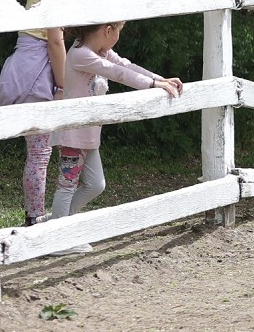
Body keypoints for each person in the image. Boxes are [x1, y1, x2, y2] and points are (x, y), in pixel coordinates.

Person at [49, 22, 183, 247]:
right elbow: (117, 73)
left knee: (96, 184)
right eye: (119, 31)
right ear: (108, 30)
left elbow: (125, 65)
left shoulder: (100, 52)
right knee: (67, 186)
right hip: (72, 134)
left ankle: (56, 221)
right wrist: (152, 84)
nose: (119, 36)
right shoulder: (81, 54)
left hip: (88, 134)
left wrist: (161, 80)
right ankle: (58, 240)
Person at [0, 0, 87, 226]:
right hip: (37, 75)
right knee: (40, 153)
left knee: (38, 151)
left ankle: (33, 216)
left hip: (28, 67)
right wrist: (62, 85)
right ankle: (34, 219)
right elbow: (55, 42)